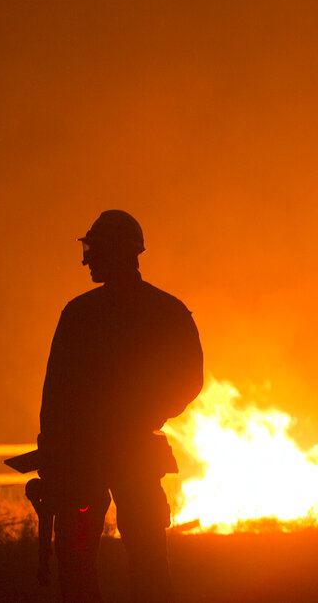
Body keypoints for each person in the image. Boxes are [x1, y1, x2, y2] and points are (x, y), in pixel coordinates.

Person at [38, 210, 204, 602]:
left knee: (79, 559)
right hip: (125, 452)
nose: (89, 259)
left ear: (118, 252)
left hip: (86, 457)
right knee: (146, 555)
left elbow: (56, 393)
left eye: (95, 250)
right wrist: (149, 413)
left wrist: (53, 451)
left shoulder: (79, 314)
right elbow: (189, 379)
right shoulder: (166, 309)